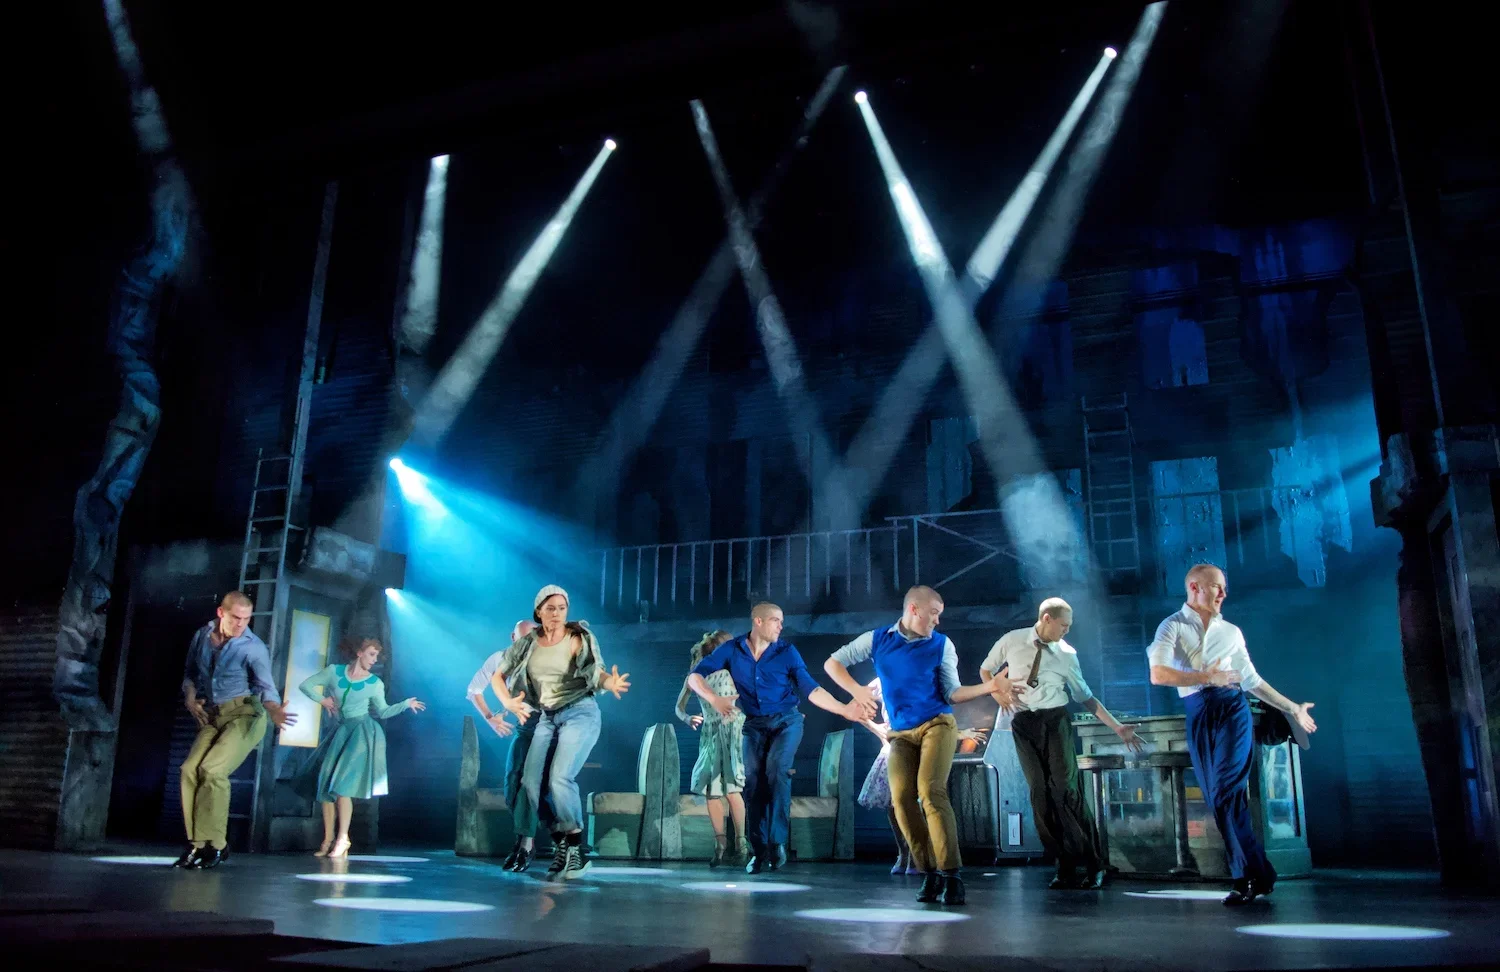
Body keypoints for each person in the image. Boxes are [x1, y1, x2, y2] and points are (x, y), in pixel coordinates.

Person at [824, 586, 1008, 906]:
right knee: (900, 799)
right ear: (914, 609)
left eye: (939, 615)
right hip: (900, 734)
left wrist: (989, 686)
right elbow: (833, 664)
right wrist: (857, 691)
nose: (937, 620)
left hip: (937, 724)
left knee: (930, 790)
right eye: (934, 613)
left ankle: (951, 875)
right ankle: (929, 873)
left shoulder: (941, 644)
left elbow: (952, 692)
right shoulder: (878, 639)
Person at [1148, 564, 1317, 906]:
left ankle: (1251, 875)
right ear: (1194, 587)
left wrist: (1291, 708)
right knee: (1217, 798)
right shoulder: (1172, 626)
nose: (1223, 594)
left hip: (1231, 711)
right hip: (1198, 711)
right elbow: (1158, 674)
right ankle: (1254, 876)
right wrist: (1204, 677)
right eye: (1216, 587)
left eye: (1224, 588)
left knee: (1227, 791)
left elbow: (1252, 680)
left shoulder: (1232, 632)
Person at [688, 602, 873, 875]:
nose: (780, 626)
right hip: (753, 725)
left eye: (781, 621)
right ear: (758, 622)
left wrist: (844, 708)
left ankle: (777, 842)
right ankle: (759, 850)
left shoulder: (787, 652)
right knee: (752, 783)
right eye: (775, 620)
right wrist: (714, 699)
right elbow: (695, 676)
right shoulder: (733, 649)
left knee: (777, 771)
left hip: (787, 721)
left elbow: (810, 688)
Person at [982, 597, 1145, 891]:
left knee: (1066, 791)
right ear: (1046, 618)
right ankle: (1064, 862)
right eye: (1064, 625)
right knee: (1039, 793)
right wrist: (999, 695)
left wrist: (1118, 727)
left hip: (1055, 721)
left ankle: (1094, 862)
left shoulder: (1067, 654)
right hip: (1023, 723)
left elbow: (1086, 696)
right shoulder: (1012, 640)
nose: (1066, 631)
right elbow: (986, 671)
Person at [487, 585, 631, 880]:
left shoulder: (578, 638)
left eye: (562, 608)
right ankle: (561, 841)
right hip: (546, 717)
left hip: (580, 712)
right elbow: (497, 675)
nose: (557, 614)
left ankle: (575, 848)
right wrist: (506, 701)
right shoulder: (528, 642)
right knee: (529, 782)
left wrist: (609, 683)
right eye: (550, 608)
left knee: (559, 777)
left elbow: (595, 672)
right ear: (538, 612)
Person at [173, 591, 296, 869]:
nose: (241, 624)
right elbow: (190, 673)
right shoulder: (202, 637)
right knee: (190, 769)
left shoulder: (253, 647)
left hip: (246, 715)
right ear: (221, 613)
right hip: (214, 716)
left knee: (213, 770)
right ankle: (197, 845)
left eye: (246, 619)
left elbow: (266, 686)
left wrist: (274, 709)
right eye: (236, 618)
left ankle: (216, 846)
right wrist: (190, 698)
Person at [297, 637, 425, 857]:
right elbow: (305, 685)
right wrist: (323, 700)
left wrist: (405, 704)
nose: (374, 660)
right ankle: (327, 840)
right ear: (359, 652)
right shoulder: (334, 672)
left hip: (362, 732)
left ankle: (342, 839)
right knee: (324, 787)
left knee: (341, 787)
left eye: (376, 656)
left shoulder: (374, 683)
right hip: (341, 731)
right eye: (371, 654)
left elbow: (383, 711)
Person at [855, 678, 989, 876]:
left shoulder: (925, 674)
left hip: (925, 743)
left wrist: (958, 733)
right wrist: (878, 730)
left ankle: (918, 855)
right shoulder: (882, 679)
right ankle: (903, 851)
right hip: (897, 742)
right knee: (895, 802)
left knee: (920, 799)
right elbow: (856, 707)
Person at [468, 620, 567, 871]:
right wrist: (492, 717)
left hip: (547, 726)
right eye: (522, 638)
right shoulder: (499, 659)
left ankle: (525, 844)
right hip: (524, 728)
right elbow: (474, 690)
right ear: (513, 637)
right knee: (512, 783)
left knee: (529, 784)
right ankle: (528, 839)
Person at [675, 630, 749, 867]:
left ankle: (741, 843)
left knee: (731, 788)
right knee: (713, 789)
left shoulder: (734, 669)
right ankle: (721, 844)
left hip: (734, 730)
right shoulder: (696, 675)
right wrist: (687, 718)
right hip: (712, 733)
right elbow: (679, 706)